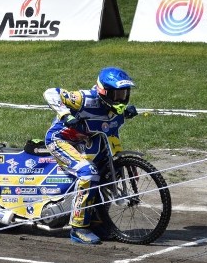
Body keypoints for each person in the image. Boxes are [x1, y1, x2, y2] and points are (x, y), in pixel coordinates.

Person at [40, 67, 137, 245]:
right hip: (61, 140)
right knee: (88, 173)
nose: (120, 99)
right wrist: (65, 114)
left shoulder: (114, 109)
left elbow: (111, 135)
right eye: (116, 95)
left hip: (88, 142)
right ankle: (78, 228)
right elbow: (51, 93)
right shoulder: (84, 99)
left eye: (124, 94)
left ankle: (97, 222)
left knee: (106, 173)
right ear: (103, 91)